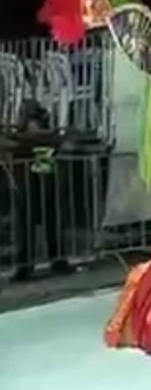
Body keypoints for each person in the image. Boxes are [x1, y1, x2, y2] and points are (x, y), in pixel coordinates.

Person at [11, 103, 74, 282]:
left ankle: (58, 262)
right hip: (27, 186)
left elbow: (57, 142)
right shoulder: (21, 140)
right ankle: (24, 268)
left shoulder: (46, 138)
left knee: (53, 226)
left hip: (46, 185)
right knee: (26, 230)